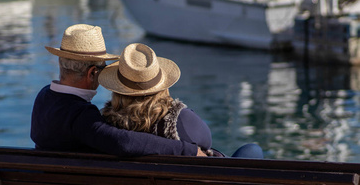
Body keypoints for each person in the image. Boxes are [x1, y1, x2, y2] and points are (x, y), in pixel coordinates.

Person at [30, 24, 206, 156]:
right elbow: (123, 142)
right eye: (103, 68)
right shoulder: (82, 117)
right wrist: (187, 150)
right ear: (93, 73)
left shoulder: (44, 97)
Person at [99, 43, 264, 158]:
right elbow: (206, 141)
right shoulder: (180, 121)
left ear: (118, 90)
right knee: (252, 150)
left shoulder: (105, 126)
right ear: (161, 85)